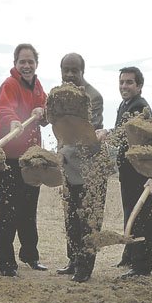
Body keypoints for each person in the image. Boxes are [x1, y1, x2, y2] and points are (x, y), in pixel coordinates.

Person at [0, 43, 48, 277]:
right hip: (11, 158)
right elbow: (2, 110)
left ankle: (30, 255)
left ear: (36, 64)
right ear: (15, 64)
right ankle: (6, 263)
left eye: (30, 62)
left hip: (31, 159)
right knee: (8, 211)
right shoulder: (10, 84)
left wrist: (43, 111)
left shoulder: (37, 85)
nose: (26, 66)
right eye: (22, 62)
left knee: (28, 209)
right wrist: (13, 121)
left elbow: (44, 111)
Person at [56, 53, 106, 282]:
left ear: (82, 71)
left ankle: (85, 268)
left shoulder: (93, 97)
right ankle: (73, 260)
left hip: (89, 167)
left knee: (88, 219)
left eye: (74, 70)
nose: (69, 75)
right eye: (65, 70)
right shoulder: (59, 95)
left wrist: (64, 150)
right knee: (71, 218)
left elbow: (86, 132)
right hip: (68, 166)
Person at [111, 66, 152, 278]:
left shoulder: (140, 107)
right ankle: (129, 254)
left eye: (129, 82)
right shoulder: (124, 104)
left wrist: (108, 133)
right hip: (127, 171)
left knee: (142, 218)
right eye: (122, 82)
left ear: (139, 85)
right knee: (130, 213)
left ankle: (141, 266)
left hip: (140, 171)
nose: (124, 86)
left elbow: (125, 135)